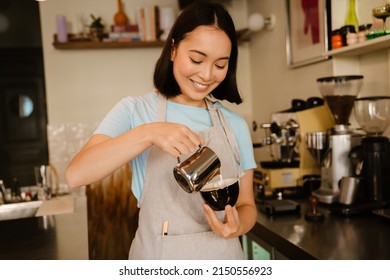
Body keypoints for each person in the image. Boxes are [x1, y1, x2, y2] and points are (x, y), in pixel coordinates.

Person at [66, 1, 257, 260]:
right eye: (196, 59)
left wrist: (238, 226)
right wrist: (148, 133)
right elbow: (76, 175)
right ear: (173, 50)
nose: (207, 74)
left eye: (220, 65)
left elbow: (246, 206)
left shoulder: (234, 125)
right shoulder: (135, 111)